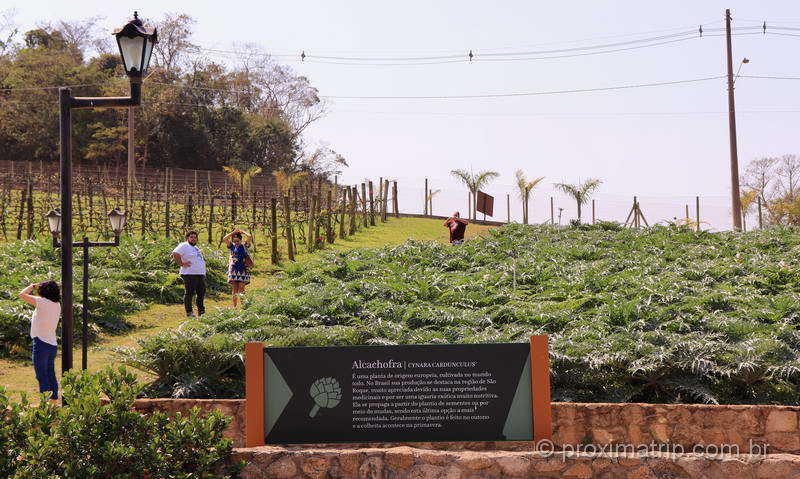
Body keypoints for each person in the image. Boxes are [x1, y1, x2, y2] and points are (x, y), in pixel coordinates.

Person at [19, 280, 61, 402]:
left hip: (40, 344)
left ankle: (46, 405)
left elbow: (21, 294)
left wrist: (32, 286)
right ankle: (54, 402)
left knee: (42, 376)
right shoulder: (57, 304)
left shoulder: (42, 302)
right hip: (52, 345)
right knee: (50, 375)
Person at [172, 230, 207, 317]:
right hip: (189, 274)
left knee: (201, 293)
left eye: (195, 237)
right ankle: (189, 312)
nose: (193, 239)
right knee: (189, 293)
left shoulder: (195, 248)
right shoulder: (184, 245)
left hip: (199, 274)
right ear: (187, 238)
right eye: (191, 237)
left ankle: (201, 312)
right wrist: (181, 264)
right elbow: (175, 253)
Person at [223, 227, 253, 307]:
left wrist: (242, 231)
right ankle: (235, 308)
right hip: (233, 270)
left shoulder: (244, 246)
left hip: (243, 270)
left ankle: (243, 307)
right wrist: (233, 232)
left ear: (241, 240)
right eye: (234, 241)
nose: (236, 242)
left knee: (242, 289)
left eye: (237, 241)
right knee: (234, 290)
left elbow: (249, 236)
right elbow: (225, 238)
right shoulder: (232, 246)